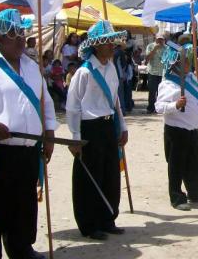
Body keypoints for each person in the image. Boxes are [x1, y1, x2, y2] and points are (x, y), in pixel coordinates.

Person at [0, 9, 58, 259]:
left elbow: (46, 103)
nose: (21, 39)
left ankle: (22, 248)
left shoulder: (32, 67)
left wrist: (50, 132)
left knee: (24, 205)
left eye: (22, 33)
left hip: (28, 149)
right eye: (13, 35)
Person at [66, 20, 129, 240]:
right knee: (89, 176)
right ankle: (89, 224)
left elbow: (115, 101)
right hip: (89, 128)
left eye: (113, 41)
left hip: (108, 125)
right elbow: (73, 106)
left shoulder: (111, 67)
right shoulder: (84, 73)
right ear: (96, 45)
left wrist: (122, 126)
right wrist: (75, 137)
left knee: (110, 173)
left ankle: (107, 218)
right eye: (107, 42)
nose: (112, 45)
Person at [155, 43, 198, 211]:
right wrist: (175, 104)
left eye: (189, 60)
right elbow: (159, 107)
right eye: (186, 61)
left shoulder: (192, 78)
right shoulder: (168, 84)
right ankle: (176, 197)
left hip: (192, 129)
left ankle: (197, 192)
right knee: (176, 165)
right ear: (175, 64)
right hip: (176, 130)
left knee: (194, 162)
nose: (189, 64)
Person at [145, 33, 165, 113]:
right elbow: (147, 59)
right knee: (152, 91)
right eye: (158, 39)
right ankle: (150, 108)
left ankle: (159, 108)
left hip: (162, 72)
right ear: (155, 39)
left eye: (161, 39)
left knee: (161, 92)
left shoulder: (166, 48)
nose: (160, 41)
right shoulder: (150, 46)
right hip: (152, 72)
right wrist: (154, 49)